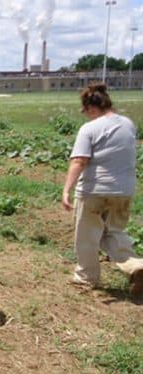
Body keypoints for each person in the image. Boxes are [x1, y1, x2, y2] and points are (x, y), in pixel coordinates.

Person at [61, 82, 143, 295]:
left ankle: (86, 277)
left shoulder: (90, 128)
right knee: (114, 232)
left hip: (94, 190)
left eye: (86, 111)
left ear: (91, 108)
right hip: (124, 190)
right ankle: (136, 266)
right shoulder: (128, 124)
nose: (86, 115)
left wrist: (66, 190)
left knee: (87, 235)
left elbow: (79, 160)